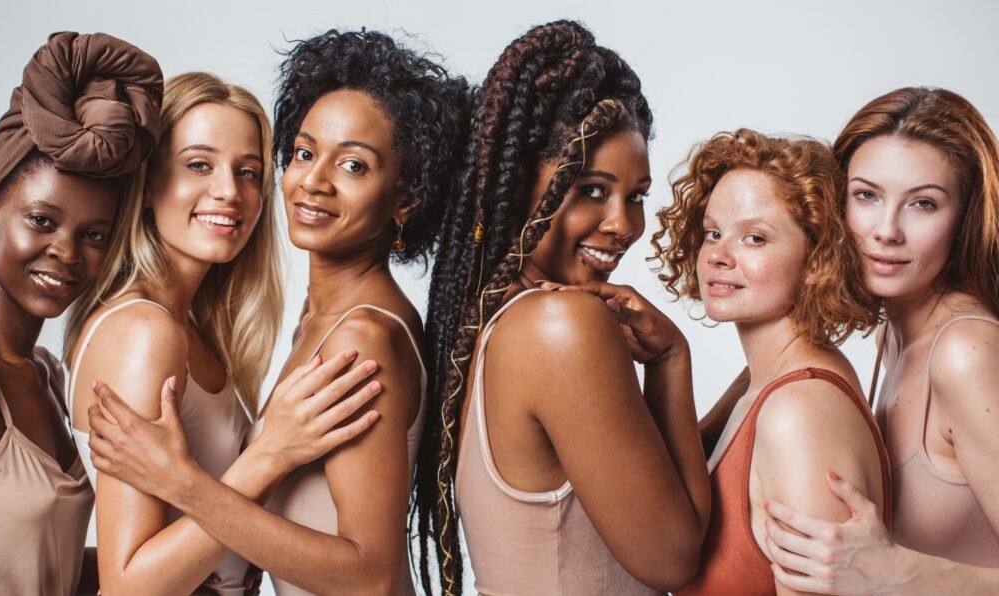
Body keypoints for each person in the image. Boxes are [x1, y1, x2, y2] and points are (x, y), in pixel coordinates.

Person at [79, 30, 470, 595]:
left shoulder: (361, 337)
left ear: (406, 197)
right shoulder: (314, 320)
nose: (313, 180)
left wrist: (188, 487)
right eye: (305, 153)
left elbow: (373, 577)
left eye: (354, 166)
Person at [414, 20, 710, 595]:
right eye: (591, 190)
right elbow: (676, 558)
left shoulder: (494, 323)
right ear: (518, 182)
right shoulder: (561, 326)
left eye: (637, 197)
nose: (624, 225)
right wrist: (672, 360)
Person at [66, 71, 381, 595]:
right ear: (147, 187)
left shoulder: (192, 330)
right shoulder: (145, 332)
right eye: (198, 165)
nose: (229, 192)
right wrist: (270, 454)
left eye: (249, 172)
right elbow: (127, 587)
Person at [764, 87, 999, 594]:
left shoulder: (965, 354)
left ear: (964, 219)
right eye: (867, 195)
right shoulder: (894, 333)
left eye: (923, 204)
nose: (886, 231)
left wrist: (898, 571)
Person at [650, 129, 889, 595]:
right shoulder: (764, 381)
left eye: (754, 238)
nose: (718, 255)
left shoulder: (799, 411)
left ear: (818, 259)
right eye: (713, 233)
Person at [0, 31, 162, 595]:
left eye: (94, 234)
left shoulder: (48, 373)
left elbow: (30, 558)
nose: (66, 251)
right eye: (41, 220)